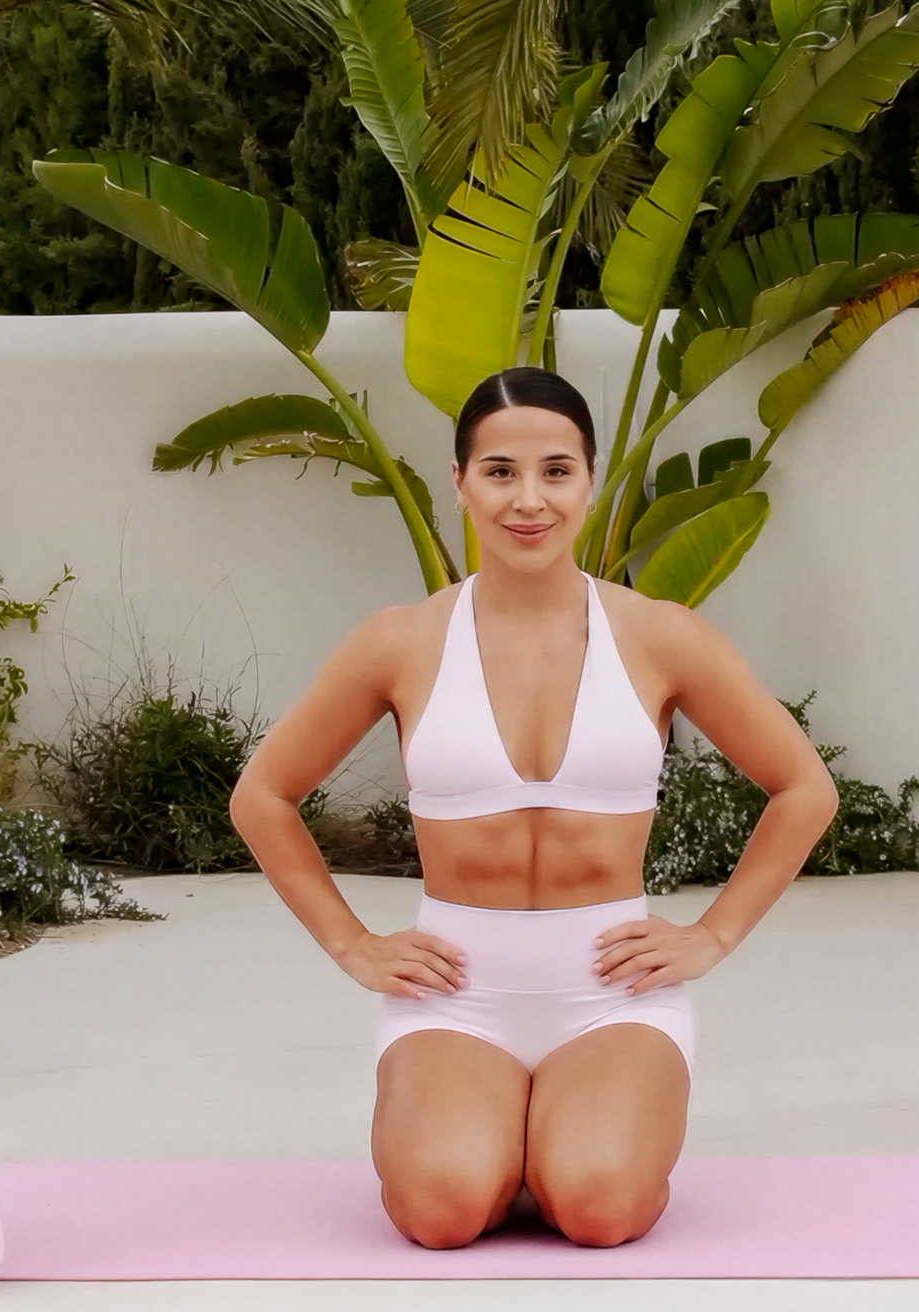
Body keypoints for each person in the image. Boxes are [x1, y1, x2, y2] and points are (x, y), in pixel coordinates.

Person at [229, 367, 837, 1249]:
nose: (530, 500)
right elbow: (264, 795)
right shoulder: (399, 641)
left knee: (600, 1208)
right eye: (500, 472)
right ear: (461, 483)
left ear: (589, 480)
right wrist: (350, 943)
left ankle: (561, 1141)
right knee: (440, 1212)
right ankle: (499, 1136)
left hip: (612, 997)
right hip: (456, 997)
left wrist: (712, 935)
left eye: (557, 471)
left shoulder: (661, 634)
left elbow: (803, 787)